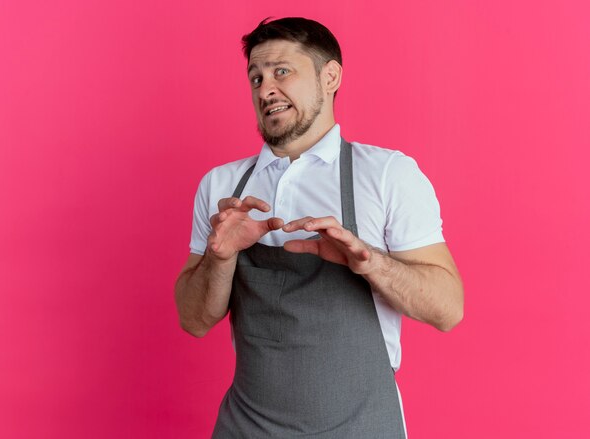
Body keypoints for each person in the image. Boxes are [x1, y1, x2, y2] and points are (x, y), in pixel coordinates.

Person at [175, 17, 463, 439]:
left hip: (361, 426)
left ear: (330, 77)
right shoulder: (221, 187)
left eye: (281, 71)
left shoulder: (387, 174)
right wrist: (220, 257)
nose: (264, 89)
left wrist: (369, 263)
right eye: (255, 77)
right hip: (246, 427)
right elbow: (193, 320)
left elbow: (448, 309)